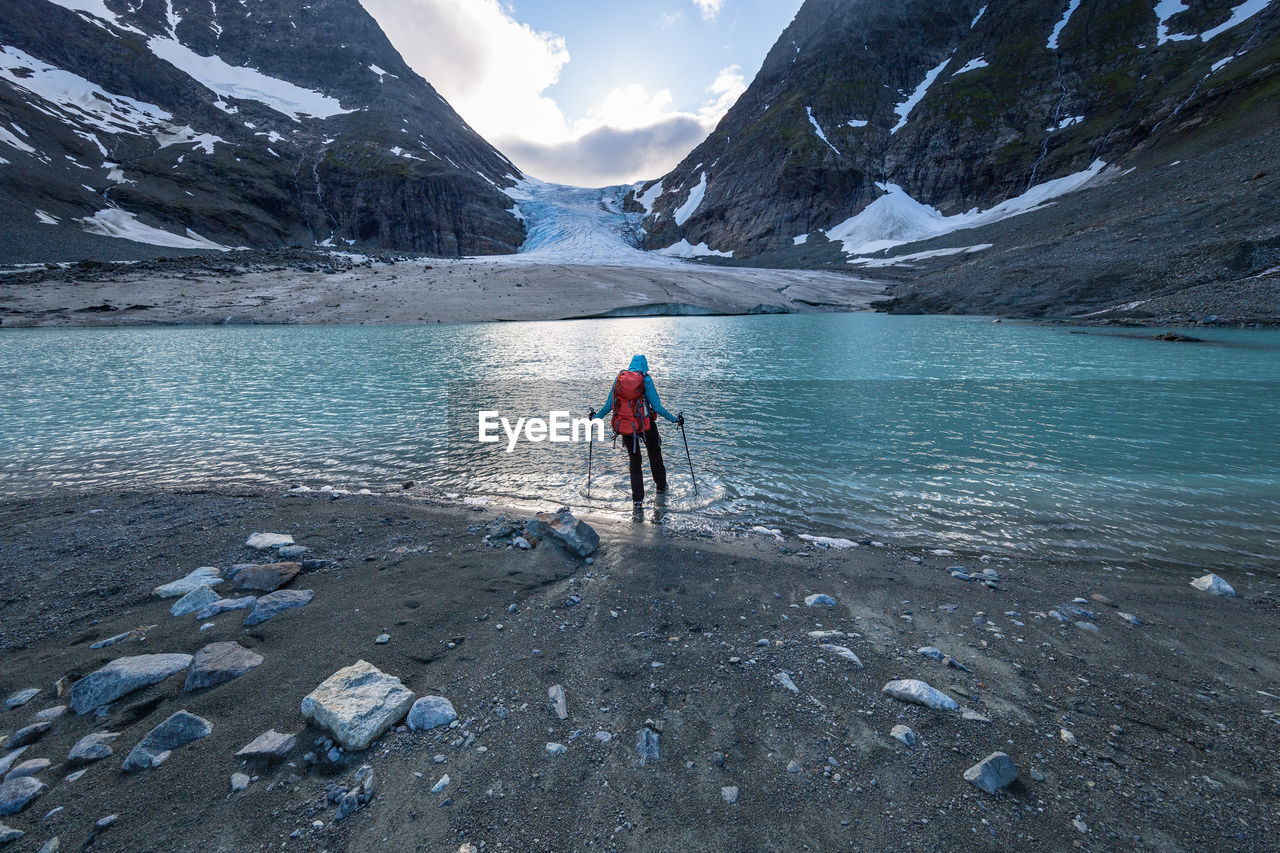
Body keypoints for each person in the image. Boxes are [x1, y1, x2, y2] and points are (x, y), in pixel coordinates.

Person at [590, 354, 684, 512]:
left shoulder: (619, 379)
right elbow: (658, 407)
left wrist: (595, 418)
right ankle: (661, 488)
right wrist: (675, 420)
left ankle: (637, 501)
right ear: (645, 365)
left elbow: (609, 405)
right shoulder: (645, 380)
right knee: (655, 455)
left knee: (634, 461)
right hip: (646, 426)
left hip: (626, 426)